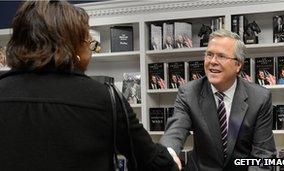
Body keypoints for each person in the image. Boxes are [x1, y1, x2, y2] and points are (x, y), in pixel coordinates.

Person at [0, 1, 178, 171]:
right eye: (88, 43)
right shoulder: (105, 99)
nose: (91, 51)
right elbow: (153, 163)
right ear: (73, 49)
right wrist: (170, 157)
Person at [160, 29, 276, 171]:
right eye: (209, 55)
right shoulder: (189, 93)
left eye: (221, 56)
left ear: (238, 64)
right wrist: (168, 154)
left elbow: (264, 155)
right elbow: (175, 130)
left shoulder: (259, 98)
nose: (213, 62)